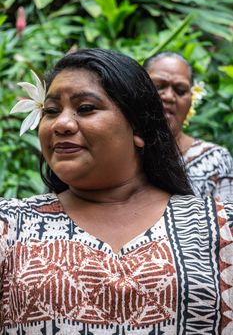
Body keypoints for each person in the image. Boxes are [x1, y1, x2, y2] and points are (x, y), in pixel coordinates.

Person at [0, 48, 233, 335]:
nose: (61, 123)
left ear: (138, 127)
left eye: (85, 108)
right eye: (50, 111)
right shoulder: (9, 226)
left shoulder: (221, 227)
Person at [143, 52, 233, 200]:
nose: (169, 97)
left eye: (180, 91)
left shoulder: (216, 160)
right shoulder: (122, 153)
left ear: (192, 100)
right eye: (159, 86)